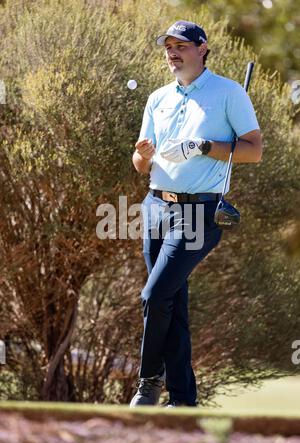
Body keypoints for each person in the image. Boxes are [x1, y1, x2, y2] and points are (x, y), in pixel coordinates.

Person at [130, 20, 262, 408]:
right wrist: (143, 154)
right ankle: (184, 401)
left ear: (202, 48)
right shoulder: (157, 98)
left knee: (154, 295)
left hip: (199, 211)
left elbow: (253, 149)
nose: (172, 52)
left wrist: (203, 145)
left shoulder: (228, 92)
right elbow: (140, 163)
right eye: (168, 46)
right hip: (156, 205)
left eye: (181, 46)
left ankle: (149, 380)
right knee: (173, 304)